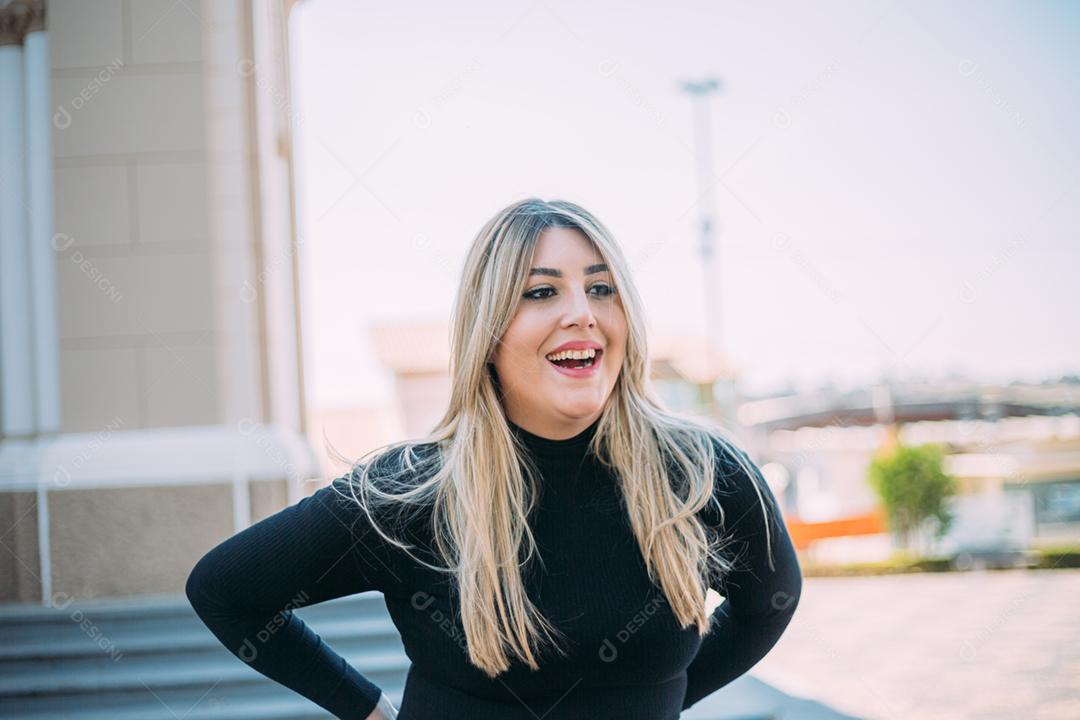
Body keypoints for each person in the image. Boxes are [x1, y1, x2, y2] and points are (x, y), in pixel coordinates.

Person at [185, 198, 802, 719]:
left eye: (600, 288)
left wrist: (664, 697)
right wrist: (365, 709)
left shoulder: (702, 474)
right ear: (490, 332)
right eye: (541, 291)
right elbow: (226, 591)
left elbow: (769, 602)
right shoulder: (412, 492)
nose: (581, 312)